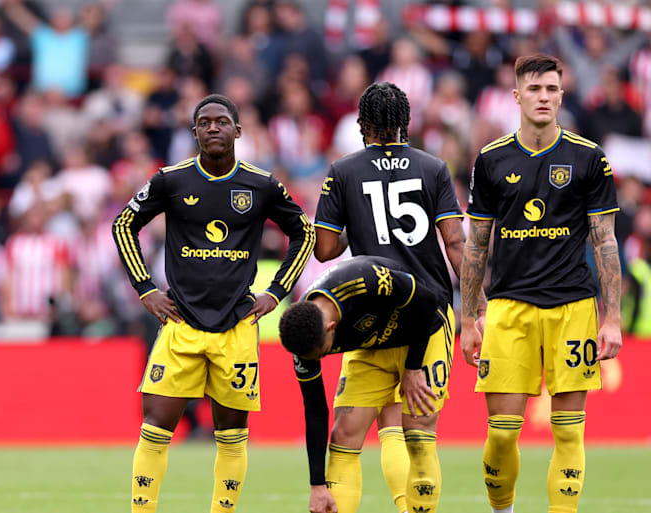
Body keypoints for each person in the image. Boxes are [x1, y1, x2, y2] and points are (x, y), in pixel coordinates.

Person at [113, 93, 315, 512]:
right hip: (181, 325)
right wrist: (145, 288)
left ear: (238, 131)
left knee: (232, 432)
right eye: (204, 123)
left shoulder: (261, 184)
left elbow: (305, 233)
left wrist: (277, 291)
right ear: (194, 133)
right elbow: (123, 225)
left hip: (237, 326)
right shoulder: (171, 180)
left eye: (222, 121)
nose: (213, 128)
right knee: (155, 426)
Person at [460, 53, 622, 513]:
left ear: (562, 95)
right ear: (516, 96)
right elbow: (476, 246)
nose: (544, 97)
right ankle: (503, 509)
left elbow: (605, 241)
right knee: (501, 435)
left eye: (552, 89)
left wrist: (611, 318)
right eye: (534, 89)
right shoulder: (491, 160)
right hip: (509, 310)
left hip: (573, 307)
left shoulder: (589, 158)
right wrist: (469, 318)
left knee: (569, 429)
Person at [312, 82, 475, 513]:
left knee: (345, 438)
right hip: (432, 311)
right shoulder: (434, 167)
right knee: (419, 433)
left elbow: (325, 250)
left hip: (370, 317)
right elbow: (456, 245)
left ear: (363, 125)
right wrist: (476, 312)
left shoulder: (343, 170)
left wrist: (357, 219)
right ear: (406, 122)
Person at [280, 255, 447, 513]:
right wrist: (317, 485)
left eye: (323, 352)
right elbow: (315, 410)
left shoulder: (365, 281)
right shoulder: (303, 336)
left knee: (417, 433)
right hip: (372, 346)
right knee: (344, 433)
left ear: (331, 327)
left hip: (422, 328)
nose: (322, 358)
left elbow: (427, 300)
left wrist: (412, 368)